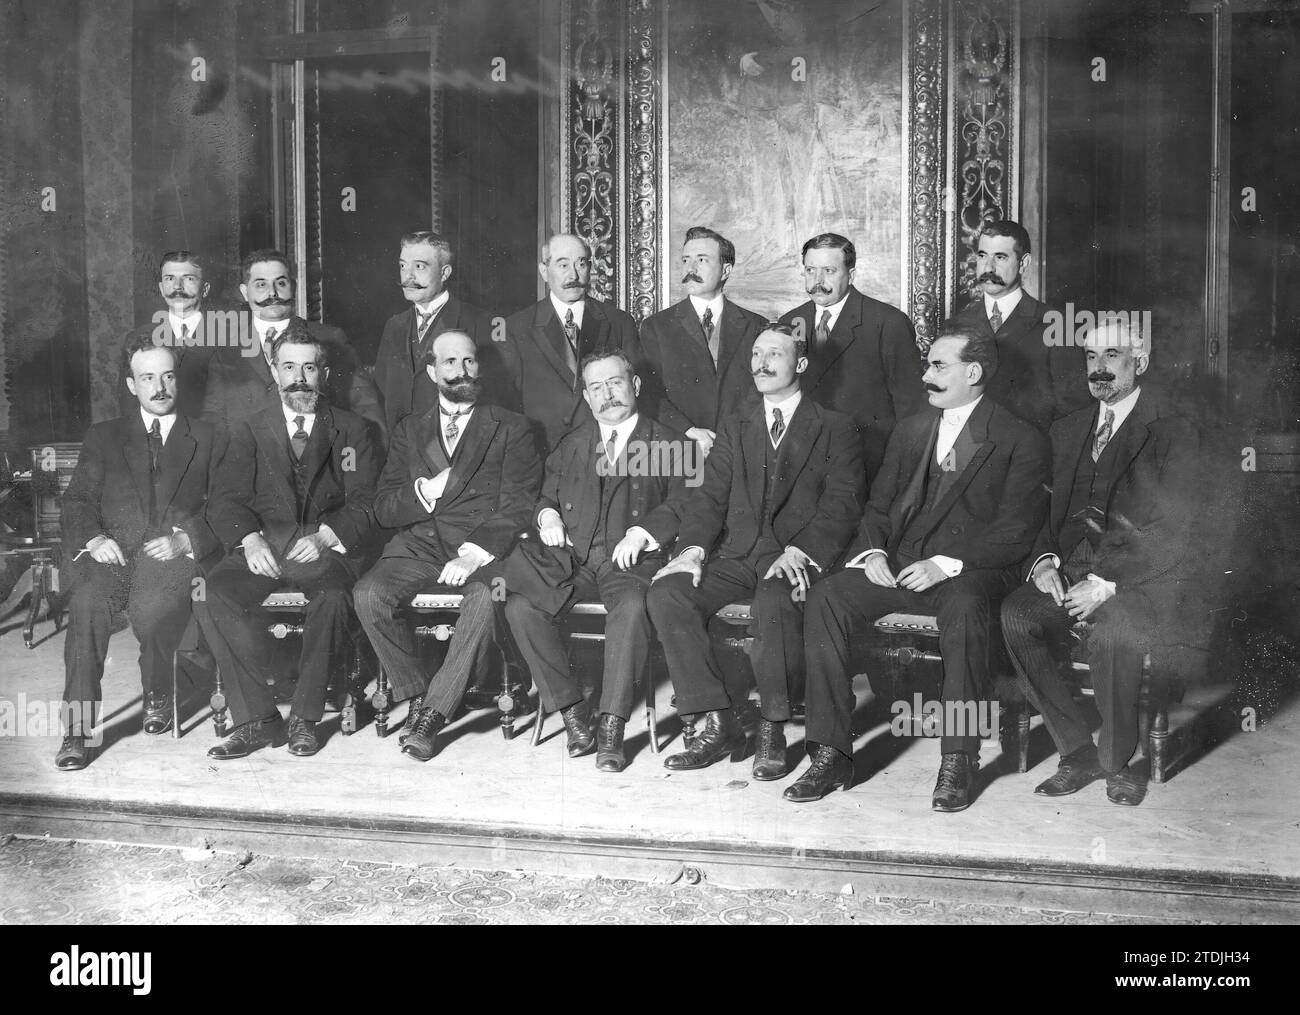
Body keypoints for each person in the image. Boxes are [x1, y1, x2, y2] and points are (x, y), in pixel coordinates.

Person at [790, 325, 1049, 812]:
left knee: (968, 609)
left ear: (973, 373)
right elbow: (879, 507)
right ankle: (830, 752)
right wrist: (873, 554)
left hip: (970, 571)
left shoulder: (1019, 437)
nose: (925, 375)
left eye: (938, 366)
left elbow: (1017, 530)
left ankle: (958, 758)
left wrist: (946, 565)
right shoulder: (912, 428)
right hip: (903, 565)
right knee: (827, 597)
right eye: (928, 365)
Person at [646, 324, 865, 781]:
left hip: (790, 558)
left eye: (775, 355)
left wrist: (802, 550)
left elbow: (843, 504)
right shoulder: (737, 422)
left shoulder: (835, 426)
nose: (761, 363)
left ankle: (771, 729)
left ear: (800, 364)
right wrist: (691, 551)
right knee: (668, 593)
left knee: (775, 604)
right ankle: (718, 719)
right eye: (756, 354)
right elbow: (709, 497)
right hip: (737, 554)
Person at [1000, 318, 1199, 807]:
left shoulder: (1173, 429)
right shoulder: (1066, 429)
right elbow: (1041, 512)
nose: (1099, 369)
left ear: (1140, 361)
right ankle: (1076, 751)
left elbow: (1176, 530)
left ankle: (1117, 763)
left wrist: (1107, 584)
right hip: (1068, 569)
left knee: (1113, 634)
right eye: (1091, 357)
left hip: (1138, 579)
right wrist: (1045, 561)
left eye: (1112, 356)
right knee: (1017, 617)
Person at [353, 330, 542, 762]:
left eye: (470, 361)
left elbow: (518, 504)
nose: (462, 371)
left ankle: (432, 716)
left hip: (484, 551)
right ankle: (420, 691)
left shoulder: (511, 426)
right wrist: (424, 492)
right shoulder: (409, 429)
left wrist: (473, 552)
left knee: (481, 598)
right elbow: (384, 507)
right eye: (451, 363)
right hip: (418, 545)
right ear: (432, 370)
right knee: (368, 594)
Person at [503, 350, 693, 772]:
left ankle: (612, 726)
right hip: (575, 559)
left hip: (631, 563)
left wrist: (644, 532)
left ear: (635, 386)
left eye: (615, 382)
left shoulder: (668, 443)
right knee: (521, 606)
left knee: (630, 609)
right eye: (597, 387)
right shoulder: (572, 444)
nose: (608, 394)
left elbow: (686, 502)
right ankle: (574, 714)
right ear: (587, 399)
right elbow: (546, 495)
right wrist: (546, 514)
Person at [197, 324, 380, 760]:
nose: (300, 377)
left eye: (310, 368)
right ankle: (258, 719)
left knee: (333, 599)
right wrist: (250, 539)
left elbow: (367, 499)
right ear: (274, 373)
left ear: (325, 374)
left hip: (323, 552)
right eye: (289, 367)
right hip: (267, 549)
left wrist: (326, 536)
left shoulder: (353, 430)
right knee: (210, 595)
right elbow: (225, 499)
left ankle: (304, 718)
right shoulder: (248, 429)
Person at [55, 337, 220, 770]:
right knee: (87, 605)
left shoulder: (206, 436)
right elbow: (77, 502)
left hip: (169, 558)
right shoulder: (104, 437)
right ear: (132, 385)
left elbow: (227, 506)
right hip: (114, 557)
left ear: (177, 381)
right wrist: (93, 540)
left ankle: (159, 692)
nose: (159, 386)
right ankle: (77, 729)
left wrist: (187, 540)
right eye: (148, 378)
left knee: (153, 610)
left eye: (167, 376)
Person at [202, 249, 386, 448]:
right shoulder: (225, 348)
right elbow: (212, 420)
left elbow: (367, 409)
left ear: (294, 286)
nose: (272, 293)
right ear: (245, 292)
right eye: (261, 284)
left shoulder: (330, 338)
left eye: (281, 283)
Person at [778, 232, 926, 476]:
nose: (818, 280)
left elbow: (910, 407)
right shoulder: (791, 321)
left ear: (852, 274)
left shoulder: (888, 322)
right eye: (810, 270)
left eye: (829, 271)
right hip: (804, 460)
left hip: (868, 460)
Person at [499, 233, 642, 454]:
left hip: (606, 451)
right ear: (544, 271)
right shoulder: (515, 327)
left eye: (581, 264)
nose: (573, 274)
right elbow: (507, 404)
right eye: (563, 264)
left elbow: (639, 391)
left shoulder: (619, 322)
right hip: (542, 454)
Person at [943, 219, 1091, 431]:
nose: (988, 267)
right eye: (982, 256)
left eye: (1000, 257)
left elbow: (1074, 409)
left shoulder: (1057, 322)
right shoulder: (957, 325)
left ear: (1024, 263)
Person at [635, 226, 766, 457]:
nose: (690, 268)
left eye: (702, 260)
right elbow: (649, 394)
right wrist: (689, 430)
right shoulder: (656, 327)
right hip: (679, 449)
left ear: (726, 270)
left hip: (741, 449)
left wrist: (730, 438)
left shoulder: (756, 326)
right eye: (686, 260)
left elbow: (762, 392)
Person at [371, 229, 498, 435]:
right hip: (400, 452)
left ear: (445, 272)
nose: (408, 276)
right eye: (403, 266)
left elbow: (492, 399)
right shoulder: (394, 326)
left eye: (419, 266)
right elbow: (381, 394)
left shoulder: (479, 322)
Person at [116, 250, 228, 418]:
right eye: (170, 279)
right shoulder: (138, 337)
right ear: (161, 288)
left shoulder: (230, 336)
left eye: (188, 279)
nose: (177, 287)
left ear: (205, 289)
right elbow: (129, 405)